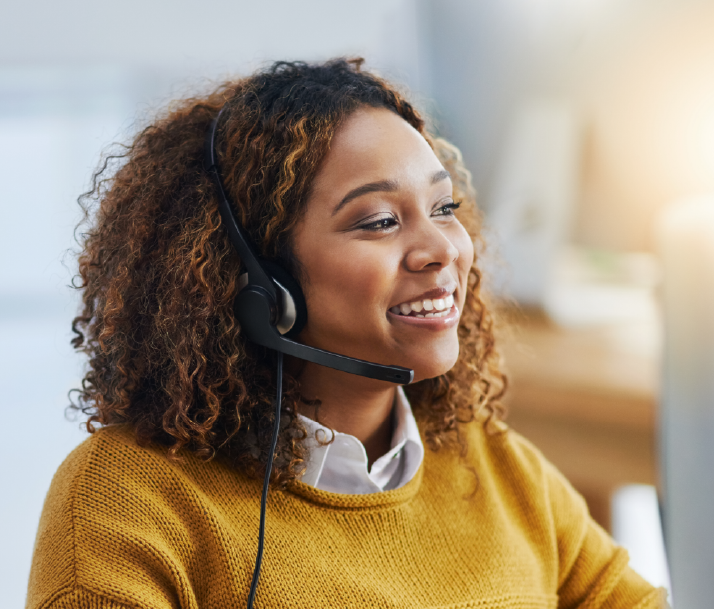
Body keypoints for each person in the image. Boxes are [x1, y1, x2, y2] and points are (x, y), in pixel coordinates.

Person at [26, 58, 667, 608]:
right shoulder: (123, 501)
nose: (440, 250)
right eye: (380, 221)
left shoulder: (492, 462)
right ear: (256, 283)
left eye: (443, 209)